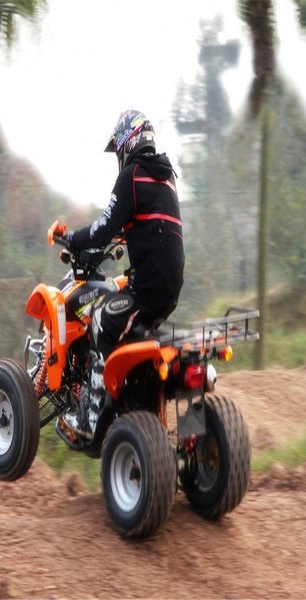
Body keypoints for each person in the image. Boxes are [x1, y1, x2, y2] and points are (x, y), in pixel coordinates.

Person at [57, 109, 184, 442]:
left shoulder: (131, 176)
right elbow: (146, 225)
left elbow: (103, 228)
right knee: (132, 330)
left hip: (146, 289)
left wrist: (73, 239)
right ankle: (134, 402)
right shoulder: (166, 178)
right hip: (170, 289)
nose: (119, 157)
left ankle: (88, 418)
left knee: (101, 319)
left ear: (128, 141)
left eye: (118, 149)